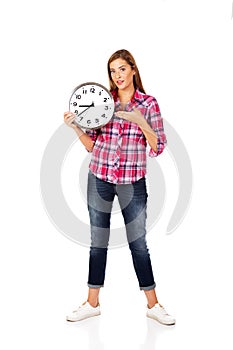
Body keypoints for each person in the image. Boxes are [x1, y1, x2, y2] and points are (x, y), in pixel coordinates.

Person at [64, 49, 175, 325]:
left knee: (138, 243)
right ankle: (92, 303)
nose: (118, 75)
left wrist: (140, 122)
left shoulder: (148, 104)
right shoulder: (104, 102)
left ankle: (154, 305)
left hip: (132, 183)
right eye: (113, 71)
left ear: (133, 70)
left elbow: (158, 146)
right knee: (97, 241)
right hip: (99, 178)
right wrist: (75, 128)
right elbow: (92, 145)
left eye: (122, 69)